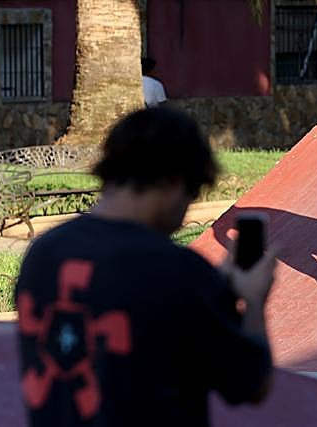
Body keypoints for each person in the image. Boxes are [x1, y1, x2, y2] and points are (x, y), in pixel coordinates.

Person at [15, 108, 275, 427]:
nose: (184, 213)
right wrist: (253, 302)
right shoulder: (181, 273)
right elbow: (251, 384)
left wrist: (213, 290)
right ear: (175, 181)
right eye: (192, 194)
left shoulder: (43, 253)